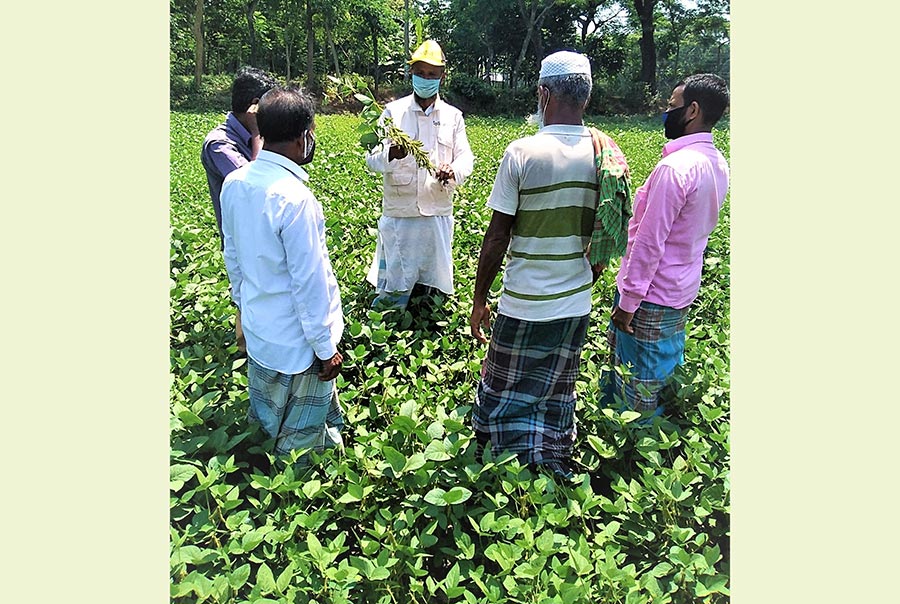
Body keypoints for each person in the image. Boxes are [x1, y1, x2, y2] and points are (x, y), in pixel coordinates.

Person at [469, 51, 630, 479]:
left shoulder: (523, 151)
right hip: (574, 300)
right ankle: (548, 452)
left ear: (544, 93)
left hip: (524, 299)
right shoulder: (606, 154)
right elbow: (609, 231)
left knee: (504, 385)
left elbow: (498, 235)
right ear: (586, 96)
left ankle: (499, 450)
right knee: (554, 390)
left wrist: (479, 299)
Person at [220, 86, 346, 463]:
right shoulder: (295, 199)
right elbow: (310, 283)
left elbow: (234, 259)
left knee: (265, 423)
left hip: (261, 333)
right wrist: (326, 349)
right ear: (301, 137)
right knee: (299, 448)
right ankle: (291, 500)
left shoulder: (235, 183)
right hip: (298, 345)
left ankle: (257, 476)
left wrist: (246, 308)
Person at [605, 73, 730, 415]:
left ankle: (634, 450)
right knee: (663, 369)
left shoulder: (674, 169)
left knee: (636, 379)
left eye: (672, 105)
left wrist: (628, 300)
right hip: (681, 289)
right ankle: (659, 433)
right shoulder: (718, 163)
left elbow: (648, 242)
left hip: (650, 295)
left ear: (692, 110)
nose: (666, 111)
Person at [365, 39, 474, 311]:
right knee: (396, 280)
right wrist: (391, 155)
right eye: (420, 73)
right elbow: (371, 159)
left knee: (432, 279)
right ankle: (391, 313)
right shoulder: (392, 112)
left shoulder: (453, 116)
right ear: (411, 73)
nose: (425, 79)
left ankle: (427, 308)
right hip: (400, 211)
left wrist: (453, 171)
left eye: (431, 74)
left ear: (442, 76)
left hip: (437, 208)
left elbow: (466, 158)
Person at [201, 66, 278, 246]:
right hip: (244, 248)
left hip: (267, 240)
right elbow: (255, 186)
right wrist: (257, 130)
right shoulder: (219, 145)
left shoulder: (258, 136)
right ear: (255, 105)